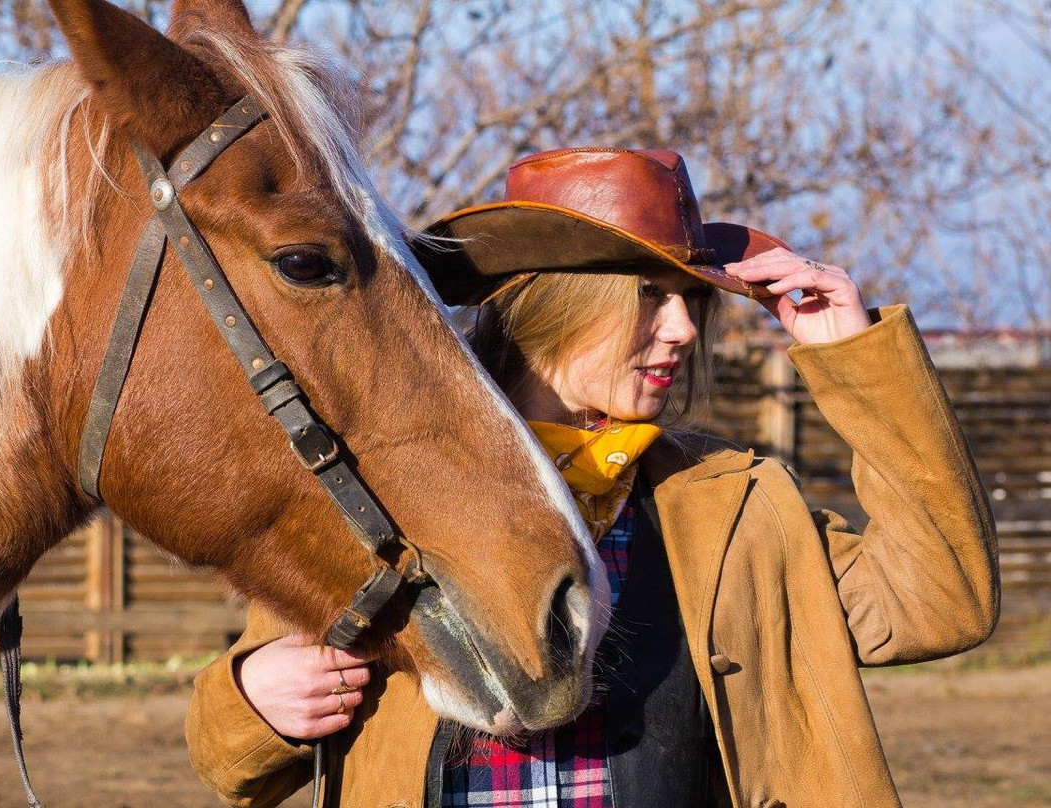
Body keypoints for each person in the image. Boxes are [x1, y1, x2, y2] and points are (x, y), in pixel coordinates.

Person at [185, 148, 999, 808]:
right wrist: (255, 697)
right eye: (648, 295)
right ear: (554, 304)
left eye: (689, 300)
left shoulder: (738, 508)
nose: (682, 329)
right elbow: (231, 764)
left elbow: (940, 601)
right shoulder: (377, 492)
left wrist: (854, 358)